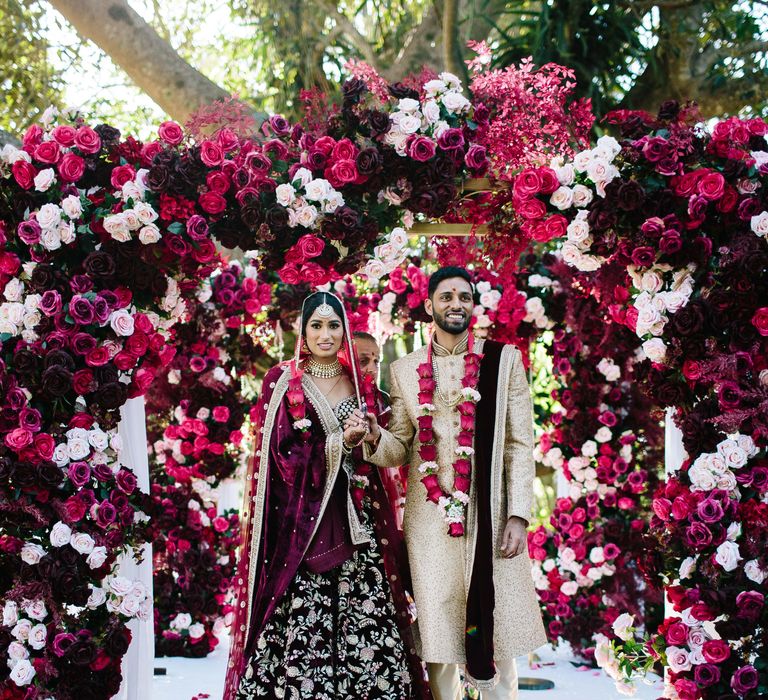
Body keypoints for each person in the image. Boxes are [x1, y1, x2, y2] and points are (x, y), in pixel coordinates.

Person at [224, 291, 431, 700]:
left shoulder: (360, 382)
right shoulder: (283, 381)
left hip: (357, 522)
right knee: (304, 622)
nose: (324, 334)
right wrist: (338, 442)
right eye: (316, 325)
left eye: (333, 325)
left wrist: (367, 436)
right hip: (302, 528)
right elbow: (281, 456)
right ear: (303, 330)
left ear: (344, 330)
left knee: (367, 619)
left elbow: (384, 452)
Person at [354, 267, 546, 700]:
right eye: (446, 296)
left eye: (464, 296)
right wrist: (372, 436)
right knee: (439, 631)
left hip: (490, 513)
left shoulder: (503, 360)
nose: (455, 303)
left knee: (496, 626)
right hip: (430, 517)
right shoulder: (404, 371)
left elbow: (519, 442)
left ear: (473, 306)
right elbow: (401, 447)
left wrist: (518, 513)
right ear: (430, 306)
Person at [353, 331, 407, 530]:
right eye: (363, 361)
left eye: (376, 362)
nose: (372, 369)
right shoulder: (330, 399)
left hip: (381, 496)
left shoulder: (385, 401)